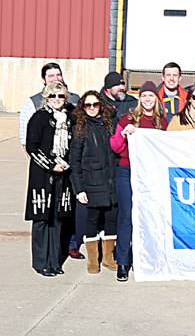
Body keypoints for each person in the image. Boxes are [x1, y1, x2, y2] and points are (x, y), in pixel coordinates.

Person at [110, 81, 166, 282]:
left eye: (151, 96)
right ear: (140, 99)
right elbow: (115, 147)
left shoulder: (162, 122)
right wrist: (124, 134)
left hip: (150, 174)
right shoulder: (128, 119)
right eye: (144, 96)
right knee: (127, 215)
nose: (148, 99)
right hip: (127, 171)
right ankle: (123, 261)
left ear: (156, 99)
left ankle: (148, 257)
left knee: (150, 215)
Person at [24, 80, 74, 277]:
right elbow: (32, 146)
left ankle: (55, 261)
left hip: (64, 174)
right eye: (52, 95)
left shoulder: (68, 119)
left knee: (58, 218)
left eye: (60, 96)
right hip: (42, 174)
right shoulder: (40, 118)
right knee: (42, 218)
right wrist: (51, 165)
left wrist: (66, 164)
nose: (56, 99)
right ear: (46, 97)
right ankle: (40, 262)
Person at [69, 91, 118, 274]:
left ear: (100, 105)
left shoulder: (109, 125)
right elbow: (75, 162)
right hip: (91, 182)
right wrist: (79, 188)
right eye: (87, 105)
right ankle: (92, 260)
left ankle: (107, 257)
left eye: (95, 104)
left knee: (111, 219)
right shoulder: (80, 129)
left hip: (110, 180)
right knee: (92, 220)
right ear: (83, 107)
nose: (91, 108)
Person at [19, 62, 79, 149]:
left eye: (58, 75)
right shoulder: (33, 102)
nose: (56, 79)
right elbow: (26, 140)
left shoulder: (74, 100)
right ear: (43, 80)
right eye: (51, 76)